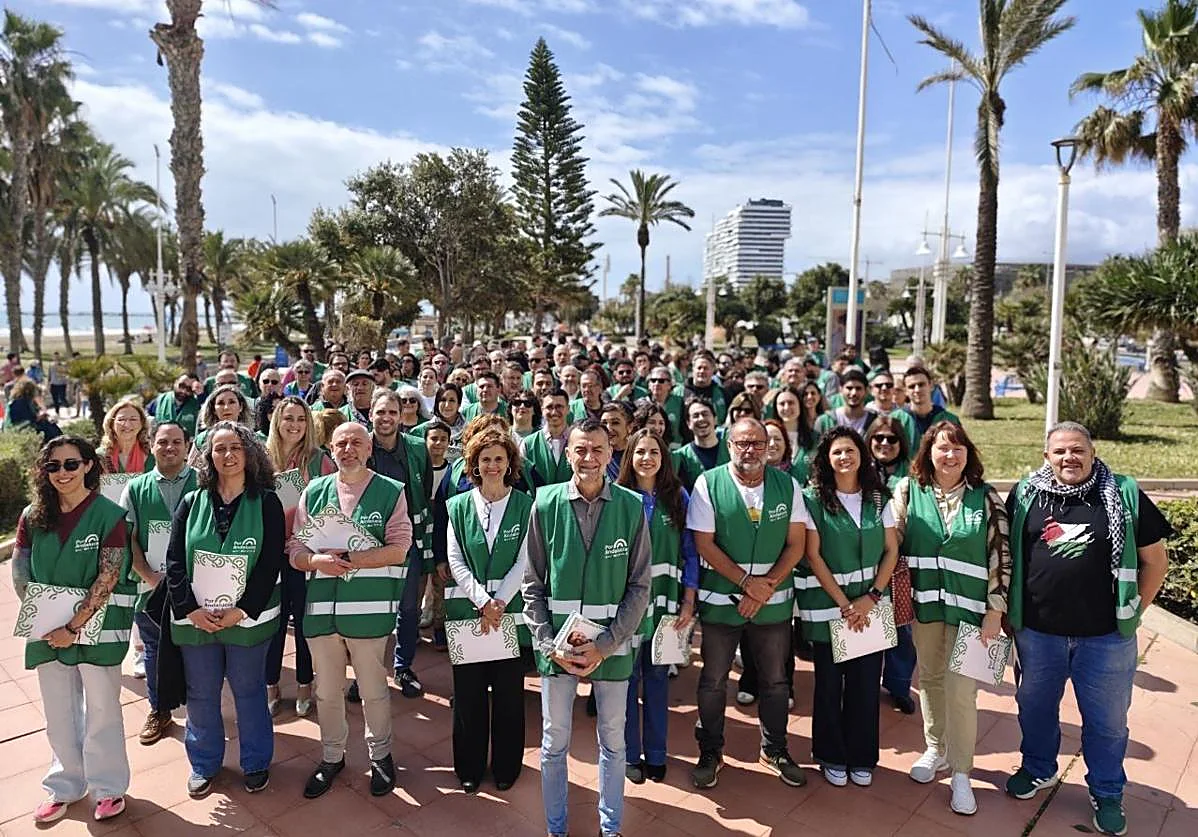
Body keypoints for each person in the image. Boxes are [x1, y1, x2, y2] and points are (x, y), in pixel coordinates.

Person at [1003, 422, 1172, 836]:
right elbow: (1009, 556)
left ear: (1093, 454)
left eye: (1077, 450)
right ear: (1047, 457)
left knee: (1108, 722)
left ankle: (1107, 790)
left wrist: (1132, 614)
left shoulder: (1123, 493)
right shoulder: (1026, 494)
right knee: (1036, 709)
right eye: (1059, 451)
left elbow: (1156, 562)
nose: (1069, 458)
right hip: (1038, 635)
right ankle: (1039, 768)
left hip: (1105, 639)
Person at [521, 418, 651, 837]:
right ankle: (556, 829)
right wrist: (545, 643)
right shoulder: (544, 504)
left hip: (610, 652)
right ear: (566, 453)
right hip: (556, 652)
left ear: (611, 453)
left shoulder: (631, 506)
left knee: (613, 743)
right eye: (580, 450)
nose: (589, 458)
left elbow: (639, 586)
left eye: (597, 450)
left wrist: (607, 645)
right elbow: (532, 585)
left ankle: (609, 829)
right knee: (554, 744)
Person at [11, 436, 134, 823]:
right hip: (48, 630)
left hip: (94, 630)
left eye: (70, 464)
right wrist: (45, 618)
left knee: (102, 709)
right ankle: (64, 785)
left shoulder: (108, 516)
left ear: (87, 466)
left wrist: (72, 625)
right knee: (59, 711)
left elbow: (109, 576)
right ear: (43, 472)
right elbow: (20, 570)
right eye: (53, 466)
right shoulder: (33, 516)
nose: (62, 473)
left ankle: (108, 788)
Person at [890, 421, 1010, 816]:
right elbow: (893, 545)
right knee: (929, 679)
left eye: (958, 448)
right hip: (925, 609)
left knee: (962, 691)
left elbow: (1001, 557)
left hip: (975, 614)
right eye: (943, 448)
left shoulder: (987, 498)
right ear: (928, 453)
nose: (950, 455)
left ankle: (961, 772)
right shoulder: (909, 491)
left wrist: (996, 610)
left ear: (968, 455)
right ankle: (935, 749)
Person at [287, 422, 412, 798]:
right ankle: (331, 756)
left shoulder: (391, 492)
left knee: (373, 690)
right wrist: (315, 561)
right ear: (331, 449)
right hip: (322, 611)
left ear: (370, 447)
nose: (349, 449)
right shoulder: (315, 490)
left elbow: (400, 547)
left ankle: (381, 756)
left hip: (369, 610)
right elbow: (294, 549)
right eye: (341, 443)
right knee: (326, 692)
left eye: (357, 442)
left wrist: (355, 558)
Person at [688, 418, 809, 790]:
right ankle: (710, 752)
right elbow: (704, 543)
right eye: (742, 443)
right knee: (712, 681)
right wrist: (746, 583)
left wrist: (765, 587)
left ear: (768, 446)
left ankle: (774, 750)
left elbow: (797, 543)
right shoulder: (708, 484)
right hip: (722, 603)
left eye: (757, 442)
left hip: (771, 604)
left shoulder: (787, 485)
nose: (750, 450)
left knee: (775, 681)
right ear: (729, 446)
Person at [165, 422, 285, 798]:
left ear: (249, 454)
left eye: (236, 447)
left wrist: (241, 610)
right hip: (196, 620)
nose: (228, 455)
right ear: (208, 456)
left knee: (249, 691)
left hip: (248, 619)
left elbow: (269, 565)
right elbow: (174, 562)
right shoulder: (191, 501)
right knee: (201, 693)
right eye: (219, 449)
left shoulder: (267, 501)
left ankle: (255, 762)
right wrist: (190, 610)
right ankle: (204, 763)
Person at [796, 427, 898, 788]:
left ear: (862, 455)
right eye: (837, 452)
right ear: (826, 458)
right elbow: (813, 554)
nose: (844, 457)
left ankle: (861, 756)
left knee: (866, 685)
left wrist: (870, 597)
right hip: (831, 610)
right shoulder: (811, 499)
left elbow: (891, 550)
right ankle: (830, 754)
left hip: (870, 609)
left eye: (850, 450)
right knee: (828, 686)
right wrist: (845, 603)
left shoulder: (877, 497)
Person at [443, 427, 532, 793]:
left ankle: (507, 766)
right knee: (469, 696)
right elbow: (455, 558)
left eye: (499, 458)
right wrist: (482, 600)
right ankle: (469, 766)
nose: (493, 465)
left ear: (509, 462)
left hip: (509, 616)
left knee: (510, 695)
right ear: (474, 465)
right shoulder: (458, 505)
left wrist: (500, 603)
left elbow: (527, 559)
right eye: (485, 459)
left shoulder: (526, 505)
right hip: (468, 615)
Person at [617, 427, 699, 785]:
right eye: (639, 452)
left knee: (657, 681)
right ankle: (630, 755)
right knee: (626, 680)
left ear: (663, 457)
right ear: (629, 458)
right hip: (626, 608)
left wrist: (688, 601)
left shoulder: (678, 497)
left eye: (653, 451)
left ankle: (656, 754)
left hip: (666, 607)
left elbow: (691, 553)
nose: (646, 458)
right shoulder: (618, 497)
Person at [121, 422, 197, 745]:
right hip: (150, 588)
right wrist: (149, 577)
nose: (170, 447)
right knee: (154, 651)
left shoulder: (203, 481)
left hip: (196, 588)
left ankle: (200, 714)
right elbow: (127, 539)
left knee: (197, 653)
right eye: (162, 442)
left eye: (177, 441)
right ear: (151, 445)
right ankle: (159, 710)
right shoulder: (135, 489)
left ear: (187, 444)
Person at [264, 397, 336, 716]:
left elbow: (332, 504)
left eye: (301, 419)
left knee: (305, 620)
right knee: (272, 622)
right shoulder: (262, 460)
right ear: (277, 422)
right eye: (288, 418)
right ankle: (271, 685)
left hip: (306, 552)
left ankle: (306, 683)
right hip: (268, 553)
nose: (294, 425)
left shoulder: (320, 459)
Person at [366, 389, 432, 700]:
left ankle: (403, 665)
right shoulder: (360, 446)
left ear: (400, 416)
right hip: (367, 541)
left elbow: (425, 491)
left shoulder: (418, 449)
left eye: (392, 412)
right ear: (370, 415)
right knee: (371, 607)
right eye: (380, 412)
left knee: (408, 608)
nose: (387, 418)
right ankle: (368, 671)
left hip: (408, 541)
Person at [864, 417, 917, 713]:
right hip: (865, 563)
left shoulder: (913, 475)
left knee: (901, 630)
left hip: (899, 565)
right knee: (867, 626)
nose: (885, 444)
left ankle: (898, 686)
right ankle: (865, 684)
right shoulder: (857, 471)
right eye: (879, 438)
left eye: (892, 439)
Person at [188, 384, 251, 468]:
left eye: (231, 402)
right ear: (214, 410)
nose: (226, 407)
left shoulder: (251, 438)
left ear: (241, 407)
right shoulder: (202, 439)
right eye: (220, 403)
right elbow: (192, 472)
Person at [672, 397, 728, 492]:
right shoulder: (680, 457)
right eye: (695, 416)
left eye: (705, 414)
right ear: (688, 423)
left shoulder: (730, 449)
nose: (701, 419)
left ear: (715, 419)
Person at [901, 364, 959, 452]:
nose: (917, 390)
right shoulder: (896, 419)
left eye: (921, 384)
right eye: (911, 386)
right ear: (905, 391)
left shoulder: (950, 420)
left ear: (931, 385)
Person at [522, 388, 573, 487]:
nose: (554, 412)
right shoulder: (528, 444)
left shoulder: (579, 440)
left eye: (559, 407)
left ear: (568, 409)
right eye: (549, 407)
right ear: (542, 410)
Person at [773, 386, 817, 486]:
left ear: (800, 405)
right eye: (782, 404)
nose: (786, 407)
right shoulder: (767, 437)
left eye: (791, 403)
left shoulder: (815, 438)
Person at [813, 369, 876, 438]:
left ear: (866, 391)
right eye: (849, 388)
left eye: (858, 388)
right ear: (841, 389)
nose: (854, 393)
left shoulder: (875, 421)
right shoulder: (825, 421)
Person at [99, 399, 154, 476]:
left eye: (133, 419)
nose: (127, 424)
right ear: (111, 424)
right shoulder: (99, 456)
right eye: (121, 419)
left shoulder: (153, 455)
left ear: (142, 423)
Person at [643, 365, 685, 442]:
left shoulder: (680, 402)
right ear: (649, 385)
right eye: (653, 380)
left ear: (669, 385)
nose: (656, 383)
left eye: (661, 381)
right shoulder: (640, 404)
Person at [151, 374, 201, 439]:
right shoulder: (161, 399)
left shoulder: (197, 404)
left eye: (189, 389)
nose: (184, 391)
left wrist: (201, 394)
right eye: (181, 385)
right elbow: (146, 417)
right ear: (175, 382)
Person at [684, 352, 726, 424]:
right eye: (699, 368)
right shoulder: (680, 392)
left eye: (706, 368)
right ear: (693, 369)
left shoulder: (723, 393)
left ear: (713, 370)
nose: (702, 371)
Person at [600, 400, 634, 481]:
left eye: (615, 423)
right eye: (604, 423)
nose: (608, 428)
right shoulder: (597, 455)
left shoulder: (637, 454)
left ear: (629, 427)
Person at [254, 367, 284, 436]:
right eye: (266, 381)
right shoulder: (251, 405)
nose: (270, 384)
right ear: (259, 384)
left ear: (280, 385)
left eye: (274, 382)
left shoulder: (286, 405)